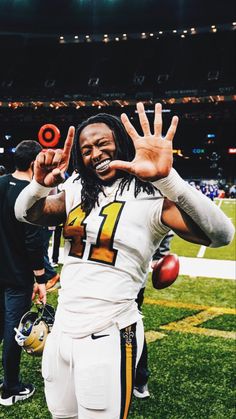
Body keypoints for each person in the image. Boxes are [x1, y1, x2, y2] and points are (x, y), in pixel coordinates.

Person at [15, 103, 234, 419]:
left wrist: (168, 178)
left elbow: (222, 234)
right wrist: (37, 186)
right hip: (63, 325)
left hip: (110, 329)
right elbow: (26, 213)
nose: (95, 153)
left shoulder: (150, 193)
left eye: (103, 143)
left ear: (122, 141)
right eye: (86, 149)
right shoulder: (78, 187)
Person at [0, 140, 47, 406]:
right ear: (34, 164)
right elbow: (33, 241)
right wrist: (40, 278)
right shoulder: (31, 193)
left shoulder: (1, 182)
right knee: (14, 331)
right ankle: (10, 389)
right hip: (18, 274)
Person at [134, 231, 175, 399]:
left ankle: (139, 379)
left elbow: (222, 235)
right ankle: (138, 380)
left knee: (130, 324)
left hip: (131, 276)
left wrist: (160, 254)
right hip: (99, 274)